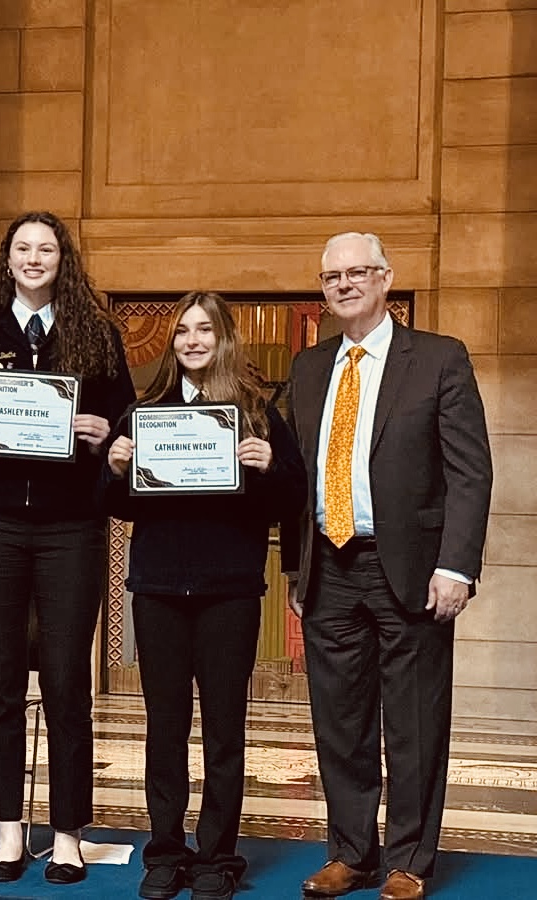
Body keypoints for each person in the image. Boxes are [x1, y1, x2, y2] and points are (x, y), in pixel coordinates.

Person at [284, 233, 493, 900]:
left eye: (356, 273)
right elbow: (296, 478)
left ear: (384, 279)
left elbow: (470, 473)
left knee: (414, 722)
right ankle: (350, 853)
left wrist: (456, 566)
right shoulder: (310, 367)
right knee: (339, 722)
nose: (344, 284)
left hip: (409, 569)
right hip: (330, 568)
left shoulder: (436, 360)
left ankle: (409, 862)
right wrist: (296, 567)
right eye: (330, 276)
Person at [0, 210, 136, 885]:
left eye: (46, 248)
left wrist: (103, 433)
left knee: (65, 683)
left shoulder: (97, 334)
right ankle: (7, 833)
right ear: (7, 258)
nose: (33, 258)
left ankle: (68, 835)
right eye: (23, 248)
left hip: (71, 526)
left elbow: (127, 433)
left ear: (63, 259)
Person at [102, 292, 307, 900]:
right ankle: (165, 851)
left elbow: (290, 501)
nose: (193, 340)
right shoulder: (145, 414)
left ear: (224, 339)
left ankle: (217, 856)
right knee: (164, 727)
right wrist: (112, 469)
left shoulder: (261, 416)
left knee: (224, 730)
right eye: (183, 330)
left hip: (230, 592)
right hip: (160, 590)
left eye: (205, 330)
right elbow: (112, 505)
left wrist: (271, 465)